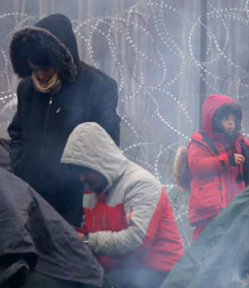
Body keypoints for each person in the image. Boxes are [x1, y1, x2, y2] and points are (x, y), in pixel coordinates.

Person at [8, 13, 121, 227]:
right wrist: (21, 167)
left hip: (75, 206)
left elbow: (108, 143)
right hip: (30, 200)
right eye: (34, 69)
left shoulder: (98, 87)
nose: (40, 76)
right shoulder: (26, 89)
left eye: (45, 68)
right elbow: (17, 132)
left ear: (60, 61)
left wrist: (79, 182)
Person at [61, 122, 184, 288]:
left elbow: (137, 241)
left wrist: (86, 241)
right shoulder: (93, 188)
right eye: (78, 172)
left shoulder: (140, 184)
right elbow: (89, 232)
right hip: (121, 271)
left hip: (160, 274)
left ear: (100, 161)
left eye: (85, 170)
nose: (82, 178)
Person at [187, 94, 249, 240]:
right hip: (209, 213)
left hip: (236, 211)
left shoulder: (241, 144)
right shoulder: (201, 143)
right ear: (213, 120)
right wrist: (226, 161)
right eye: (225, 119)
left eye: (233, 119)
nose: (231, 123)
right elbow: (197, 164)